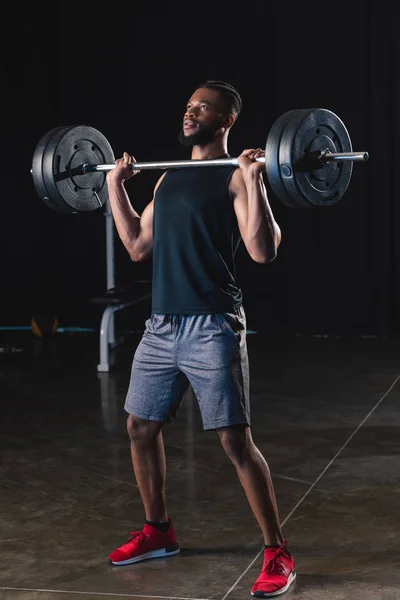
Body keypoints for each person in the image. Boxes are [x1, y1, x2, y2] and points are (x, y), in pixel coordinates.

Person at [105, 80, 296, 598]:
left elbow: (262, 251)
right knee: (140, 427)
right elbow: (138, 246)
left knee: (235, 441)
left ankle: (277, 551)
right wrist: (115, 188)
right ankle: (158, 531)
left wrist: (254, 180)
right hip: (162, 325)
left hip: (212, 324)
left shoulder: (234, 176)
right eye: (189, 105)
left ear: (226, 120)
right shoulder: (169, 178)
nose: (191, 113)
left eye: (202, 107)